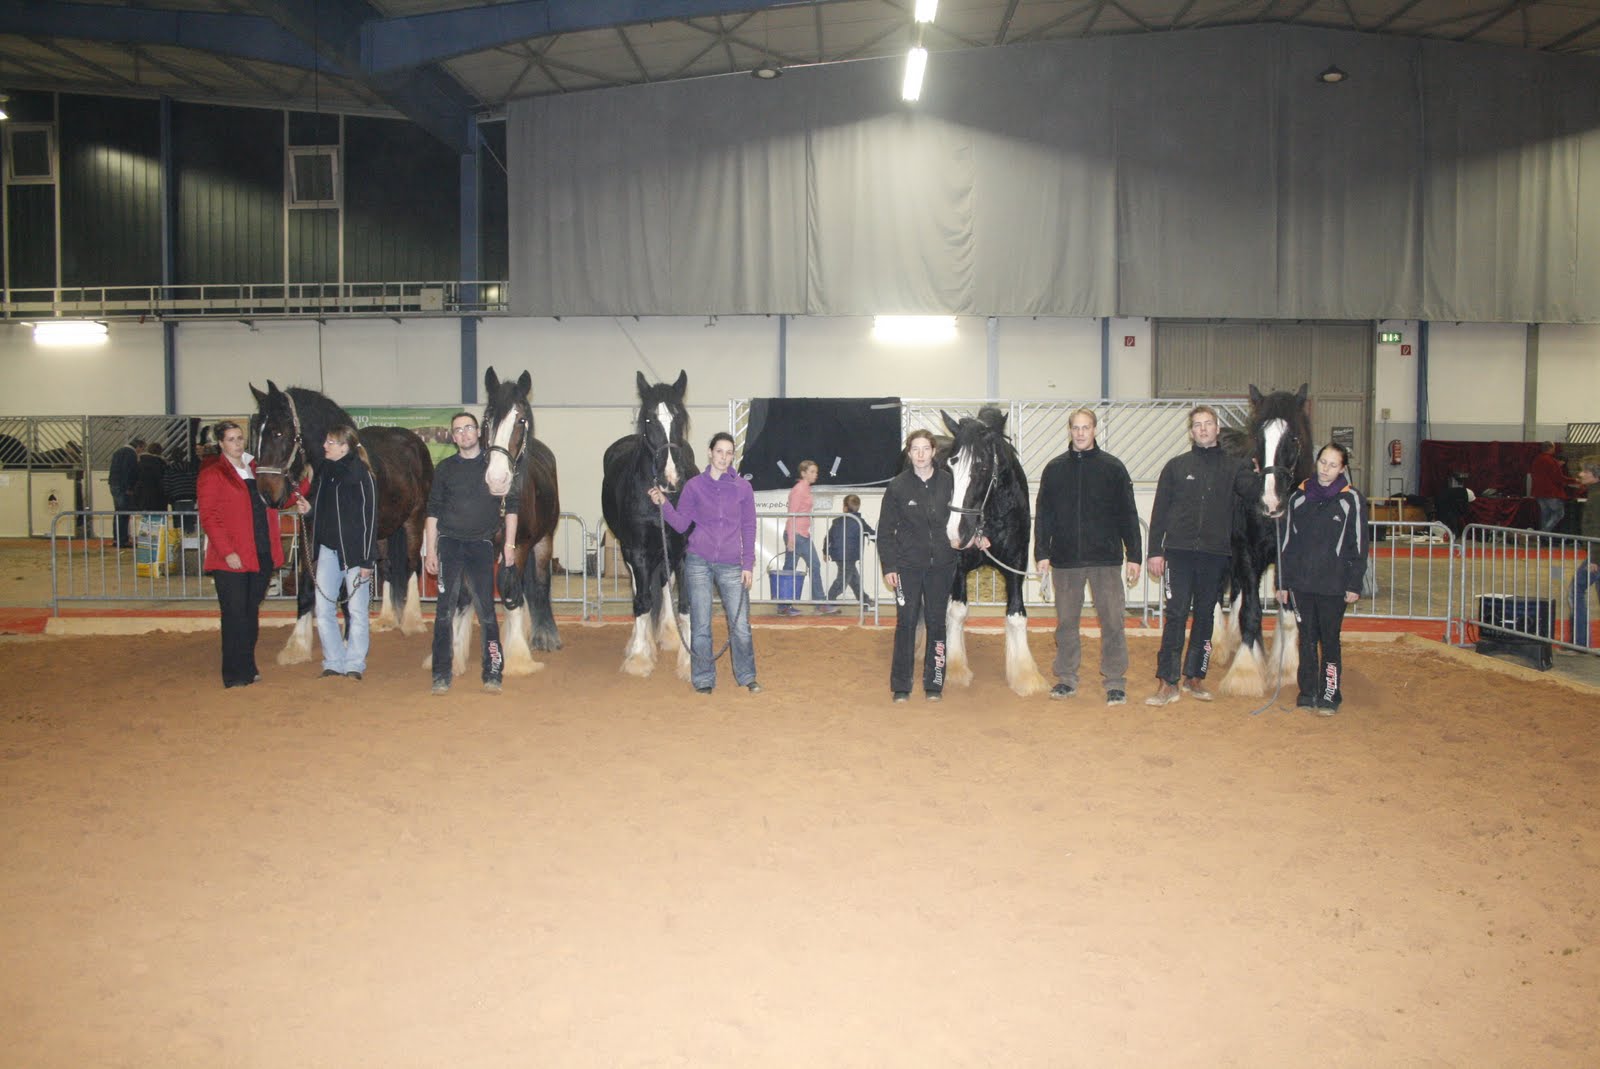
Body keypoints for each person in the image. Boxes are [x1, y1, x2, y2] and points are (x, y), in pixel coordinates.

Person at [1144, 404, 1257, 706]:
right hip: (1178, 554)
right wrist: (1155, 551)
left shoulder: (1235, 468)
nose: (1203, 429)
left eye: (1208, 423)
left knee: (1206, 616)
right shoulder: (1176, 467)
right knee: (1176, 615)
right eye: (1197, 424)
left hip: (1215, 555)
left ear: (1217, 429)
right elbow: (1159, 511)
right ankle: (1168, 681)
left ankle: (1195, 677)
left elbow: (1254, 493)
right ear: (1191, 432)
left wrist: (1263, 471)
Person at [1034, 408, 1143, 707]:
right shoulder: (1054, 469)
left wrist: (1134, 555)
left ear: (1095, 429)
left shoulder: (1113, 468)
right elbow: (1044, 514)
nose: (1080, 433)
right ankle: (1066, 677)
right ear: (1069, 430)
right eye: (1076, 428)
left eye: (1086, 427)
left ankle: (1115, 680)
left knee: (1113, 622)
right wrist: (1042, 552)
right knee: (1066, 623)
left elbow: (1128, 513)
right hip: (1065, 560)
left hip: (1105, 560)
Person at [648, 431, 761, 694]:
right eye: (719, 451)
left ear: (733, 456)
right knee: (700, 624)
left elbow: (749, 526)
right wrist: (664, 504)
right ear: (710, 453)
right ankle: (703, 679)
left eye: (729, 453)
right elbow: (681, 524)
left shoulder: (743, 488)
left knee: (741, 626)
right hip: (698, 561)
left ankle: (747, 675)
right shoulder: (694, 486)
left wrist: (748, 564)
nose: (724, 457)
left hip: (732, 564)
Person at [424, 411, 517, 695]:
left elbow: (512, 507)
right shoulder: (445, 469)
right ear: (453, 438)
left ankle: (493, 673)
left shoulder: (495, 465)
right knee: (444, 612)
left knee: (487, 612)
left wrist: (510, 545)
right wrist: (431, 550)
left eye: (468, 428)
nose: (464, 433)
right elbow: (433, 511)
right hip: (449, 545)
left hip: (481, 546)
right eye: (458, 430)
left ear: (478, 432)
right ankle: (441, 675)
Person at [1276, 443, 1367, 714]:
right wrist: (1282, 582)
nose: (1326, 469)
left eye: (1333, 465)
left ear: (1342, 469)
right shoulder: (1298, 497)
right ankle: (1307, 692)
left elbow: (1359, 544)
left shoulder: (1351, 499)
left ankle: (1330, 694)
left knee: (1329, 641)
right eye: (1323, 462)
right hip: (1301, 584)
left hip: (1334, 585)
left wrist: (1354, 583)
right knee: (1306, 639)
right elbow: (1286, 543)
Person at [197, 420, 286, 689]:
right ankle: (234, 672)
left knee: (250, 613)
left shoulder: (256, 470)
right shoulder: (213, 474)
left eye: (239, 438)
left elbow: (278, 498)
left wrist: (303, 492)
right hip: (232, 557)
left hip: (261, 551)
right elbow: (209, 517)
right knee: (234, 615)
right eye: (231, 439)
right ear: (221, 443)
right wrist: (227, 551)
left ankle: (248, 665)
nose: (237, 443)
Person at [879, 429, 958, 703]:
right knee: (906, 623)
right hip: (906, 568)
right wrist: (889, 566)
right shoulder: (897, 486)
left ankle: (934, 683)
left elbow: (963, 518)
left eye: (925, 448)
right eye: (915, 449)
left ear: (934, 452)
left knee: (937, 623)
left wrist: (975, 537)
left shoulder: (949, 482)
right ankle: (901, 685)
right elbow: (885, 531)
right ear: (909, 453)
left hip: (942, 567)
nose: (921, 454)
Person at [295, 425, 378, 681]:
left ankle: (354, 663)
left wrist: (367, 559)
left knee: (357, 611)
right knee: (324, 608)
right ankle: (333, 661)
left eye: (330, 442)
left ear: (344, 446)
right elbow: (325, 511)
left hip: (355, 554)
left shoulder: (362, 475)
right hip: (328, 551)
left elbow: (370, 518)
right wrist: (309, 510)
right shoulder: (325, 472)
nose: (325, 446)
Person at [779, 459, 838, 615]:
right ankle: (817, 603)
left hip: (801, 535)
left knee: (791, 569)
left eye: (816, 472)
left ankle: (784, 605)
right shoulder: (799, 490)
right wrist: (791, 538)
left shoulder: (805, 489)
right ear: (803, 473)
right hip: (797, 535)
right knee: (803, 567)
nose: (815, 474)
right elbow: (792, 514)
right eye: (812, 472)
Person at [1569, 456, 1600, 649]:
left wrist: (1594, 558)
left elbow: (1596, 529)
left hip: (1597, 556)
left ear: (1595, 474)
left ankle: (1579, 642)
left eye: (1585, 471)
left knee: (1576, 590)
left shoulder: (1596, 498)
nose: (1580, 474)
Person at [825, 493, 876, 608]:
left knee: (854, 580)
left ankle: (865, 601)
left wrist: (825, 551)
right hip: (850, 556)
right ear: (858, 507)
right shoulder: (859, 521)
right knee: (842, 581)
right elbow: (871, 533)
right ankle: (828, 601)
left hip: (838, 555)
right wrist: (883, 540)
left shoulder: (837, 521)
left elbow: (828, 537)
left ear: (844, 508)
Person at [1531, 441, 1579, 533]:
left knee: (1545, 515)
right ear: (1551, 448)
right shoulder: (1551, 461)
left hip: (1538, 492)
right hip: (1551, 493)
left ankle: (1543, 537)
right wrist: (1575, 480)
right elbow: (1558, 478)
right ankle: (1543, 533)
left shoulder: (1536, 459)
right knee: (1559, 514)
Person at [108, 436, 143, 547]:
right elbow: (130, 472)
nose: (140, 452)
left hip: (114, 484)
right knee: (124, 513)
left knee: (118, 512)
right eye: (141, 449)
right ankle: (122, 540)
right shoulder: (131, 454)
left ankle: (117, 539)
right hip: (123, 487)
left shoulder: (118, 452)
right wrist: (130, 488)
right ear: (138, 447)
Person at [134, 440, 168, 513]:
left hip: (143, 498)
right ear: (160, 452)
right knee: (159, 519)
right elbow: (164, 482)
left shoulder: (140, 462)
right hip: (158, 498)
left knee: (147, 518)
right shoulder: (161, 464)